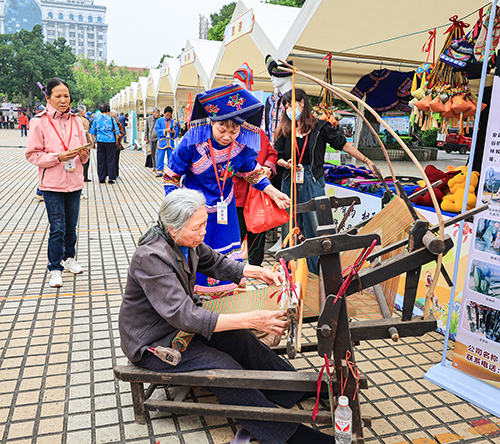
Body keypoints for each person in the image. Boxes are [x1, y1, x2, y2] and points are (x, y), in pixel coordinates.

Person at [119, 188, 334, 444]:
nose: (203, 232)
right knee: (223, 368)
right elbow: (184, 315)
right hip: (154, 343)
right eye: (196, 227)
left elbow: (217, 262)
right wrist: (253, 319)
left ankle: (296, 389)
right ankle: (286, 433)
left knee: (241, 338)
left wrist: (255, 272)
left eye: (204, 224)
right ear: (172, 228)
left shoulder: (187, 243)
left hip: (179, 328)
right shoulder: (151, 257)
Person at [163, 84, 290, 299]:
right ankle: (193, 299)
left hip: (226, 210)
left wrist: (273, 192)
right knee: (196, 251)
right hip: (194, 211)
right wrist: (177, 214)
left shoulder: (241, 146)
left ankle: (229, 298)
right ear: (211, 122)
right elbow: (172, 176)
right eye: (222, 129)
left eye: (234, 131)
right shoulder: (192, 141)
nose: (227, 136)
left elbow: (253, 172)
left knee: (227, 252)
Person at [275, 88, 377, 273]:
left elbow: (343, 144)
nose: (289, 109)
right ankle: (288, 272)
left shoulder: (320, 127)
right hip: (289, 180)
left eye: (292, 104)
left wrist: (366, 160)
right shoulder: (285, 129)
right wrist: (286, 163)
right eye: (286, 106)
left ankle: (314, 273)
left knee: (314, 227)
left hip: (312, 180)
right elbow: (277, 156)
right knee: (288, 225)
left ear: (303, 103)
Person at [25, 77, 89, 288]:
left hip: (75, 182)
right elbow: (32, 155)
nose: (63, 100)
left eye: (66, 96)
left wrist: (84, 154)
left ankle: (69, 258)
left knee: (71, 226)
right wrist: (57, 158)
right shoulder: (38, 121)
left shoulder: (76, 120)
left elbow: (82, 152)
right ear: (48, 97)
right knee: (58, 227)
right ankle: (55, 268)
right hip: (52, 184)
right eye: (58, 96)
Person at [232, 63, 278, 266]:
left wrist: (267, 167)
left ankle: (256, 266)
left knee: (258, 230)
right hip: (237, 193)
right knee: (236, 232)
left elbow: (271, 153)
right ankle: (233, 269)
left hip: (259, 193)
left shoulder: (259, 133)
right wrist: (247, 171)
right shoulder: (229, 133)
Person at [89, 103, 121, 184]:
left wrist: (93, 142)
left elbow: (92, 132)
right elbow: (117, 133)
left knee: (101, 159)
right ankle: (111, 177)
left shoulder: (96, 119)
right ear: (108, 110)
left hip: (100, 141)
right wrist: (117, 141)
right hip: (110, 141)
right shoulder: (112, 119)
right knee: (111, 159)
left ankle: (102, 178)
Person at [154, 106, 179, 177]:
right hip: (162, 141)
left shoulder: (174, 122)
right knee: (160, 157)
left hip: (170, 142)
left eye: (170, 115)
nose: (168, 116)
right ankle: (159, 171)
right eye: (167, 115)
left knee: (171, 157)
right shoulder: (159, 121)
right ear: (164, 113)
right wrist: (165, 130)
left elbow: (177, 132)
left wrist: (174, 131)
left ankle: (169, 171)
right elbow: (157, 130)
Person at [75, 105, 92, 182]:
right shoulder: (84, 120)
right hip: (84, 144)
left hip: (73, 144)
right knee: (85, 161)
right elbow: (86, 132)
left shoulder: (70, 119)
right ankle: (84, 176)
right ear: (82, 112)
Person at [110, 110, 124, 179]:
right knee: (109, 160)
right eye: (112, 117)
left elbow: (122, 133)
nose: (113, 119)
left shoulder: (119, 124)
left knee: (116, 159)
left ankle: (116, 174)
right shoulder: (106, 124)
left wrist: (118, 135)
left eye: (115, 117)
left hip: (116, 145)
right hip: (108, 144)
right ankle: (108, 174)